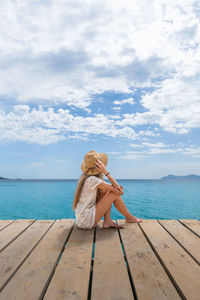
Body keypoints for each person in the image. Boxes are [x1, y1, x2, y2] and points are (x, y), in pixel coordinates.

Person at [73, 150, 143, 230]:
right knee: (114, 193)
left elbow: (114, 188)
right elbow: (120, 191)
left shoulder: (84, 177)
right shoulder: (92, 180)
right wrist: (106, 172)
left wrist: (114, 187)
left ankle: (108, 221)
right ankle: (129, 217)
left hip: (81, 218)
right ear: (99, 165)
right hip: (86, 221)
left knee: (106, 191)